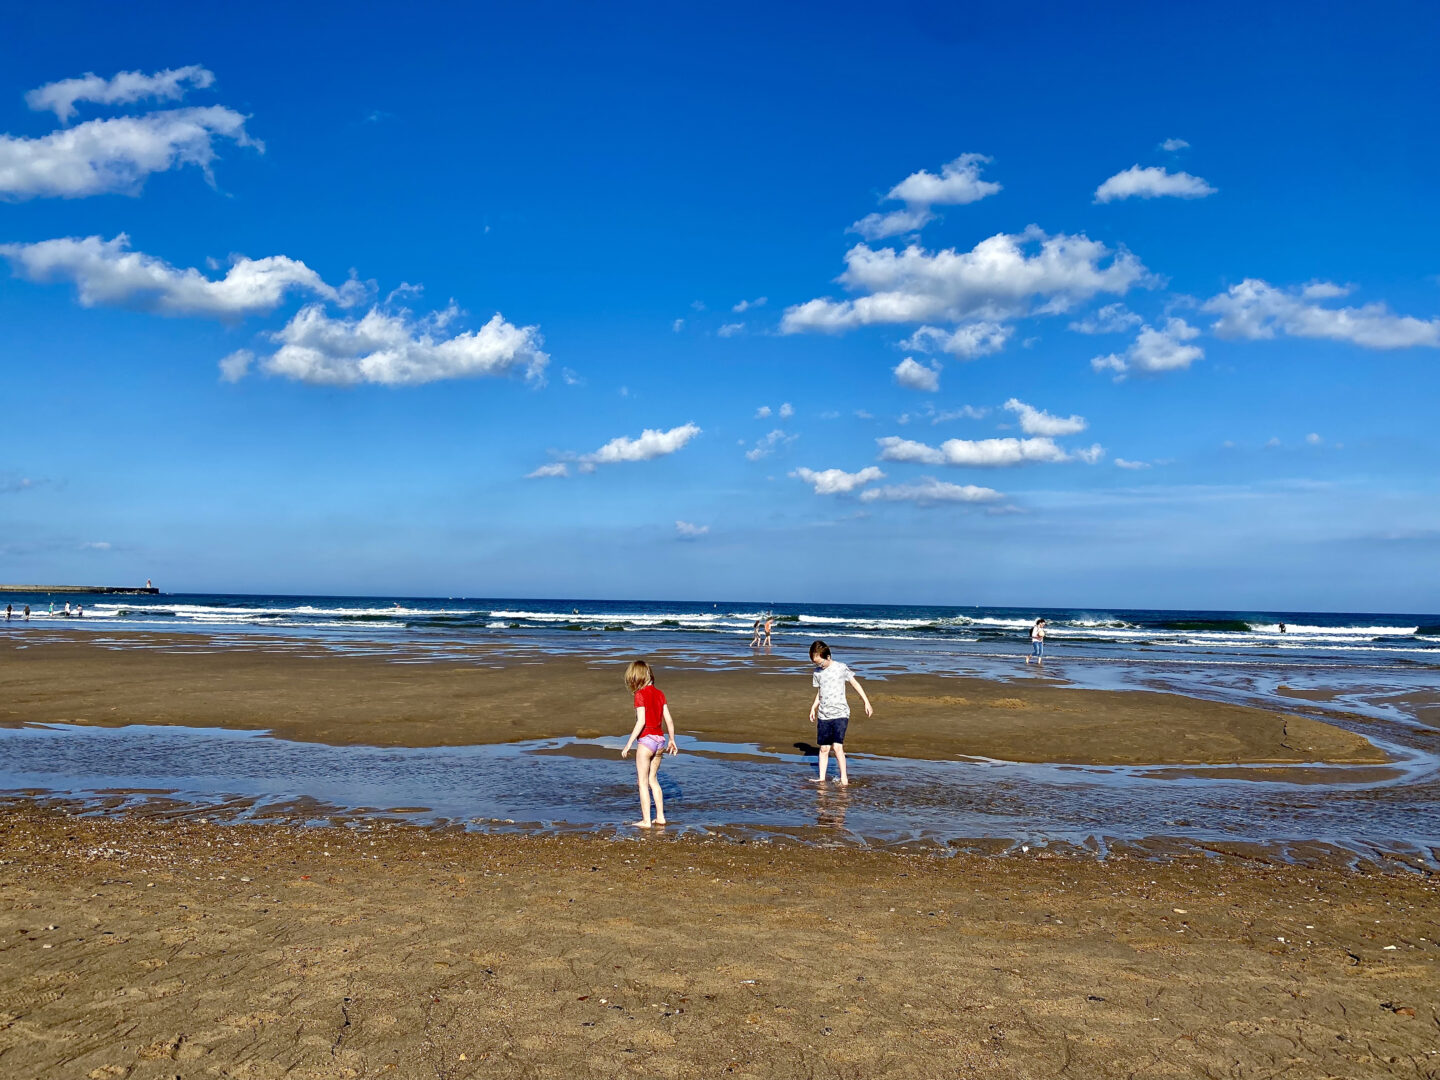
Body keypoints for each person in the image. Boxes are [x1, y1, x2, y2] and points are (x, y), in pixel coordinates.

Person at [619, 660, 678, 828]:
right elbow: (669, 720)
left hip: (646, 741)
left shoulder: (640, 695)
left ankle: (646, 821)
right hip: (660, 741)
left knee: (642, 782)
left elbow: (641, 722)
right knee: (653, 780)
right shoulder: (660, 694)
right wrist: (672, 740)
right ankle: (660, 817)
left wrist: (628, 743)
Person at [807, 639, 872, 785]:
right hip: (824, 714)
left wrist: (866, 701)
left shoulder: (840, 668)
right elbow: (820, 691)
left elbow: (855, 683)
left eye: (820, 663)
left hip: (840, 713)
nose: (819, 666)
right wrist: (813, 707)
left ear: (828, 657)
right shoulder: (817, 673)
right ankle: (822, 778)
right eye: (816, 663)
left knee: (837, 747)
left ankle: (844, 778)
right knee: (824, 748)